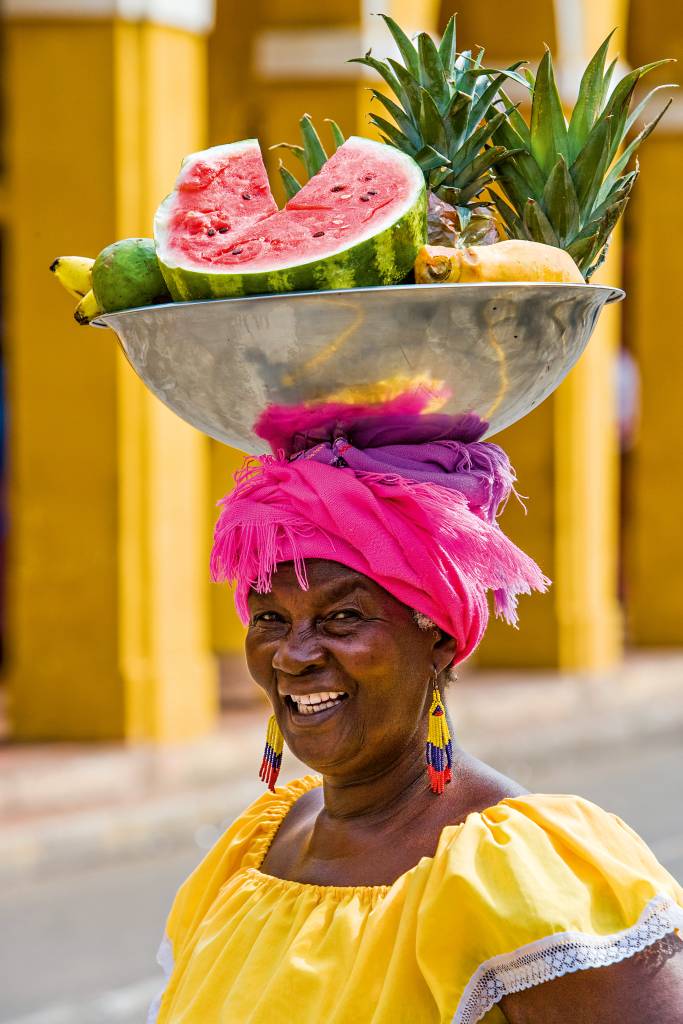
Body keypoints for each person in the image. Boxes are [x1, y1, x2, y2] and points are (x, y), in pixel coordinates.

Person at [148, 421, 683, 1024]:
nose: (294, 655)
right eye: (270, 617)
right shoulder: (247, 854)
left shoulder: (519, 870)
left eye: (344, 616)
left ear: (440, 640)